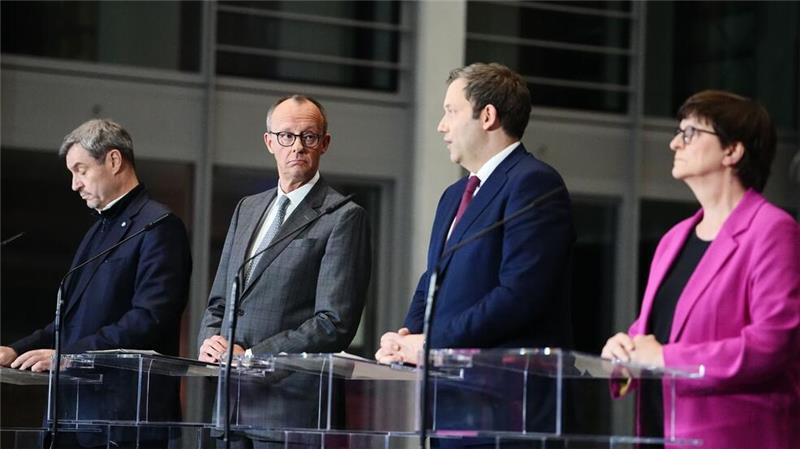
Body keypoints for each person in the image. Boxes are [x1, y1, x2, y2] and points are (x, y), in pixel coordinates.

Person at [375, 63, 574, 446]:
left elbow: (519, 295)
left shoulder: (533, 183)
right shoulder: (454, 195)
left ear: (487, 116)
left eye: (450, 112)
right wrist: (406, 336)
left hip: (507, 407)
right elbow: (433, 279)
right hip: (450, 402)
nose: (441, 126)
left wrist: (432, 342)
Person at [601, 90, 800, 449]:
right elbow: (660, 328)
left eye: (690, 132)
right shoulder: (674, 238)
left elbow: (771, 345)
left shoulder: (772, 230)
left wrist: (665, 358)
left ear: (732, 151)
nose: (676, 143)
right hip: (659, 434)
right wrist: (625, 349)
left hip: (735, 438)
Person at [0, 118, 193, 448]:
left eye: (81, 170)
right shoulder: (98, 229)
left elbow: (148, 319)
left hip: (121, 419)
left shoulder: (159, 227)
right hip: (73, 413)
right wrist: (17, 349)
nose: (75, 184)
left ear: (114, 161)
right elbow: (69, 322)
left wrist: (68, 355)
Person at [197, 94, 372, 448]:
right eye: (287, 136)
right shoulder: (247, 208)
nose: (297, 147)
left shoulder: (342, 216)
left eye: (309, 137)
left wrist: (252, 358)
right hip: (230, 407)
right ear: (269, 142)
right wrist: (209, 340)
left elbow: (333, 322)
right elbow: (220, 299)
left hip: (291, 410)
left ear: (324, 144)